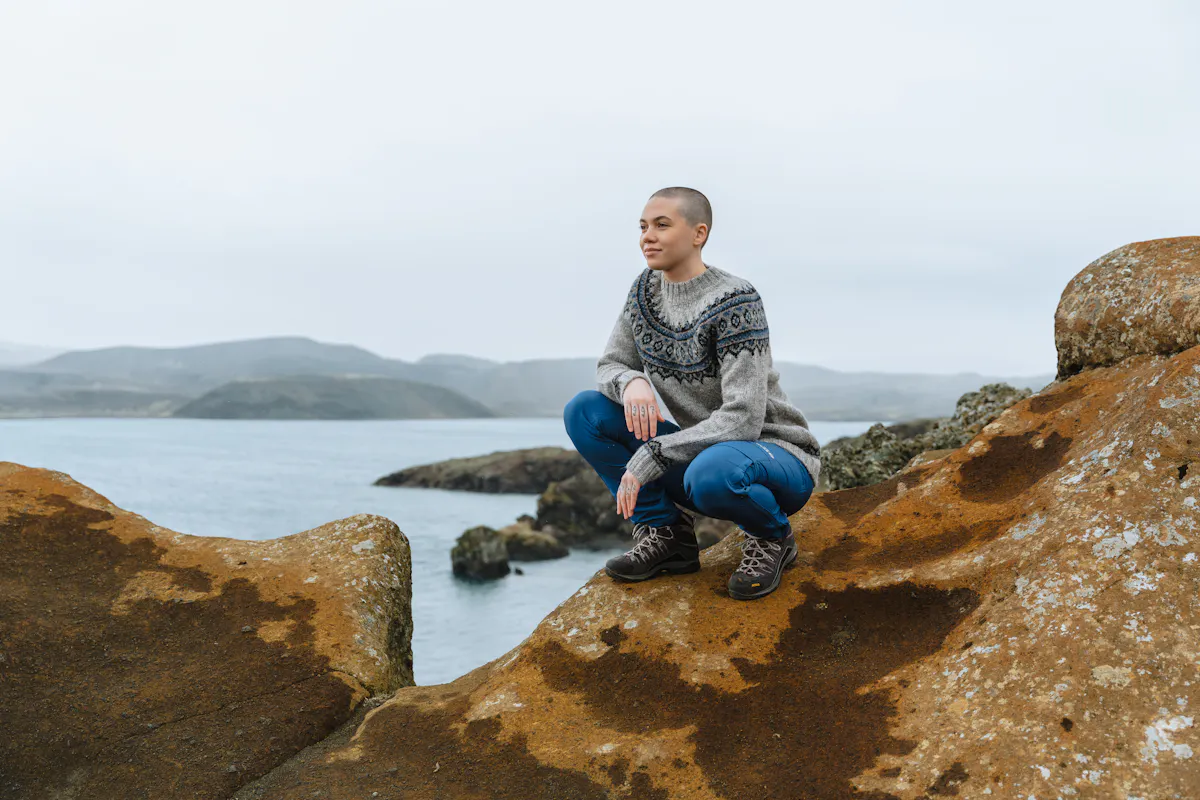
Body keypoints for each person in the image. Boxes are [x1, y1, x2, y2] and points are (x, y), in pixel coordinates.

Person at [562, 187, 822, 600]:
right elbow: (610, 365)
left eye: (662, 225)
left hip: (776, 457)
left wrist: (656, 451)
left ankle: (773, 537)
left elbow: (743, 418)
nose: (648, 236)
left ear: (699, 234)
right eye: (643, 226)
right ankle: (668, 536)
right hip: (707, 453)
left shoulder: (736, 300)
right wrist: (632, 382)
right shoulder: (644, 292)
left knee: (711, 473)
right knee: (585, 412)